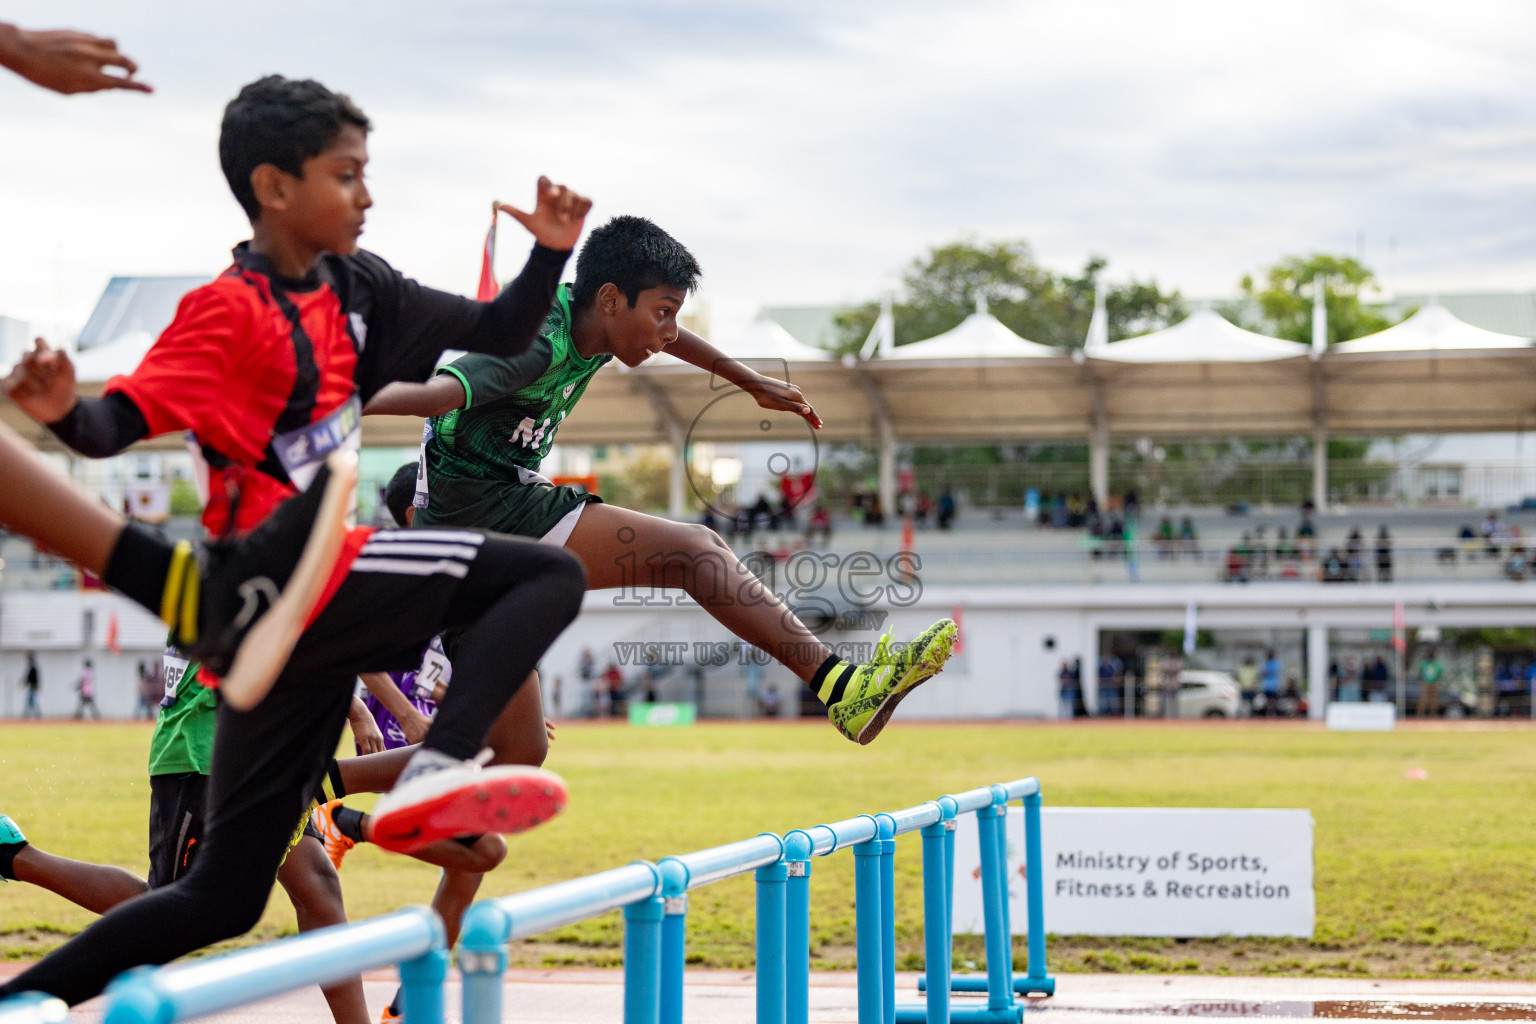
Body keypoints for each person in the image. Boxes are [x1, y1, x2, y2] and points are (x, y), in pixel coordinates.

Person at [0, 75, 593, 1007]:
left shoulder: (363, 288)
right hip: (266, 590)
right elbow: (114, 424)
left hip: (322, 599)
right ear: (275, 187)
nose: (367, 195)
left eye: (367, 174)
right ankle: (425, 781)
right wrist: (59, 412)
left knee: (220, 900)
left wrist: (549, 253)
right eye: (347, 175)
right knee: (545, 576)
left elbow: (498, 330)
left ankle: (21, 1001)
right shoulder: (223, 313)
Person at [370, 215, 956, 746]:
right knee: (694, 551)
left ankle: (326, 793)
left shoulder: (597, 322)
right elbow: (441, 390)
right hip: (480, 517)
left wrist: (744, 378)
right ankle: (840, 687)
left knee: (519, 754)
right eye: (664, 312)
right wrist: (338, 401)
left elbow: (667, 332)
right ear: (610, 299)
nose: (669, 331)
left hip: (479, 532)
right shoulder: (537, 342)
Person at [1416, 645, 1444, 718]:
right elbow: (1421, 673)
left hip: (1434, 683)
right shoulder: (1425, 663)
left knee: (1434, 700)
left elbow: (1439, 673)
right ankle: (1421, 714)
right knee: (1424, 700)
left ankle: (1432, 714)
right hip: (1426, 683)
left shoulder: (1436, 664)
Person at [1260, 649, 1282, 717]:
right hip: (1267, 685)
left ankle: (1272, 713)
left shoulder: (1275, 663)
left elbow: (1267, 672)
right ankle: (1268, 713)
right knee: (1268, 701)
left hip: (1273, 685)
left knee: (1273, 701)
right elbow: (1263, 673)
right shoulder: (1266, 663)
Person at [20, 653, 40, 719]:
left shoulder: (33, 668)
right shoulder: (33, 667)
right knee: (30, 701)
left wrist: (24, 683)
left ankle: (36, 714)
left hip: (33, 687)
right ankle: (27, 714)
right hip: (32, 687)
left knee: (33, 701)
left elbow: (30, 677)